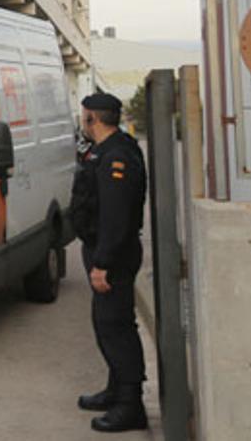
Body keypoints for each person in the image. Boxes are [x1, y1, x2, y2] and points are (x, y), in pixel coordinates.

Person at [69, 92, 148, 433]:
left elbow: (115, 218)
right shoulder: (110, 148)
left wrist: (102, 263)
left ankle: (131, 406)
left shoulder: (117, 156)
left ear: (92, 120)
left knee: (116, 329)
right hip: (105, 250)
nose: (83, 122)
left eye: (84, 116)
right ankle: (116, 391)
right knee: (109, 325)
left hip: (112, 254)